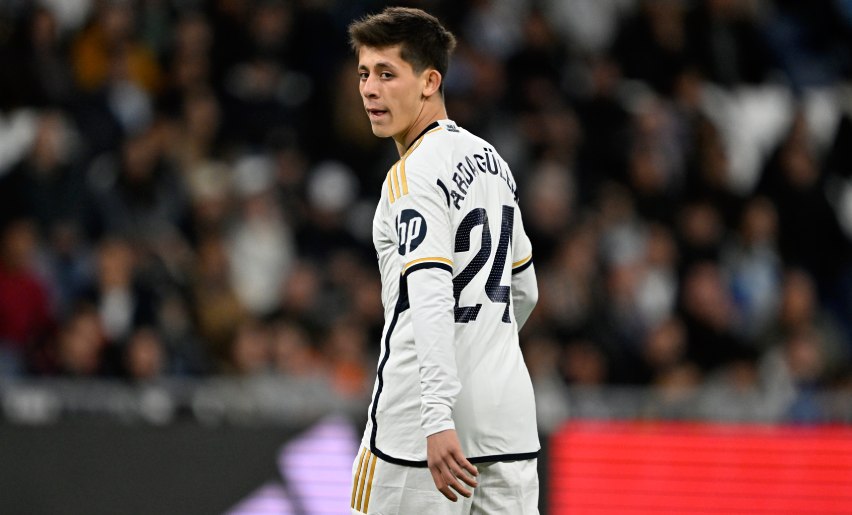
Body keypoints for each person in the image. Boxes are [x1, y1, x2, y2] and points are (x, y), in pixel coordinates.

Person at [347, 7, 540, 514]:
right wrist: (483, 350)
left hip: (421, 435)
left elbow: (429, 295)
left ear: (430, 81)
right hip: (507, 424)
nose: (369, 90)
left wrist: (437, 416)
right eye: (364, 74)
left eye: (387, 74)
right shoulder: (494, 163)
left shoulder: (412, 174)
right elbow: (525, 290)